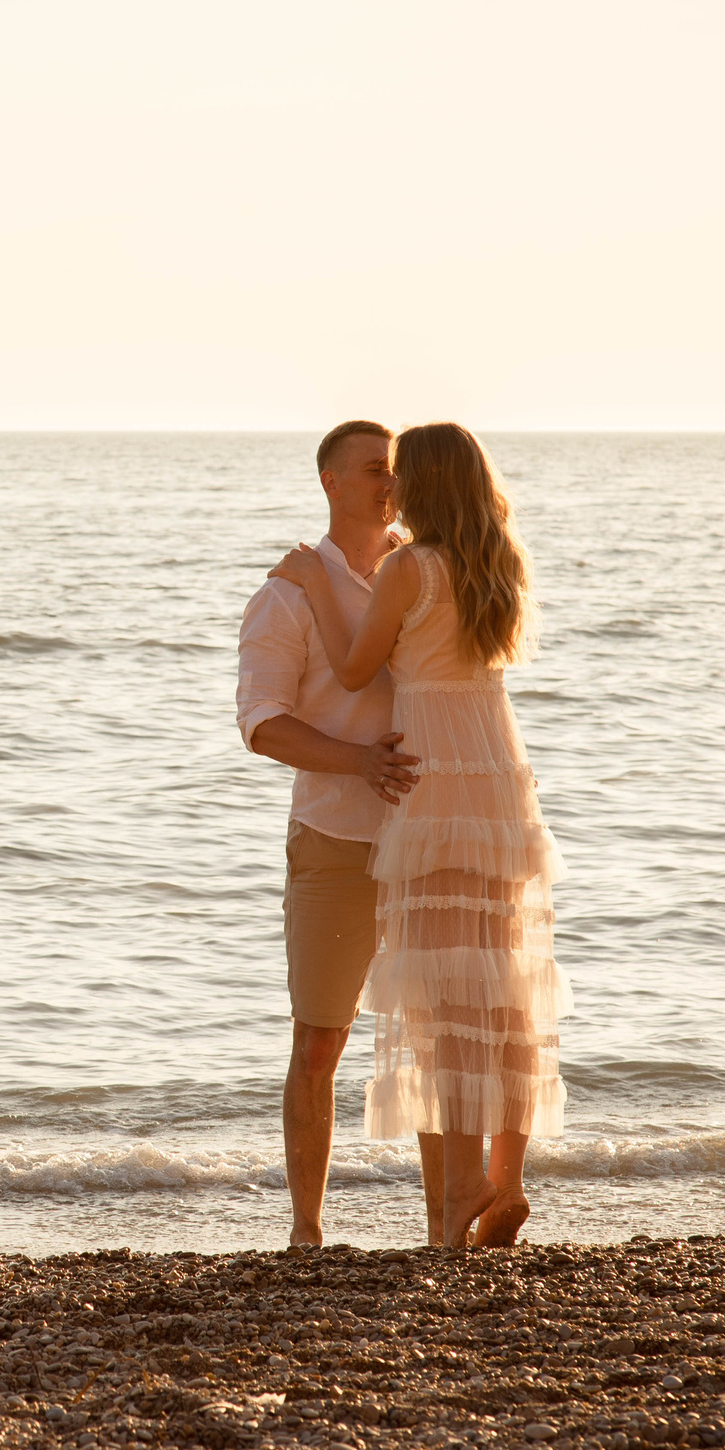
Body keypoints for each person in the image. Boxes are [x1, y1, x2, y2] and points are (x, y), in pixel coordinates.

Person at [268, 421, 567, 1248]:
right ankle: (505, 1179)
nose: (391, 486)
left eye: (401, 473)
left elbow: (356, 665)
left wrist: (311, 579)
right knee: (498, 982)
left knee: (441, 991)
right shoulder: (497, 563)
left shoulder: (408, 568)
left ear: (426, 484)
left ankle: (467, 1185)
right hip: (499, 779)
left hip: (434, 782)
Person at [236, 418, 424, 1251]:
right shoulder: (286, 593)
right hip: (334, 839)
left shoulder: (426, 569)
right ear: (332, 483)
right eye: (374, 469)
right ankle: (307, 1230)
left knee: (437, 1036)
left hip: (435, 832)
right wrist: (356, 761)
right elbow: (262, 724)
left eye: (397, 469)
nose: (390, 482)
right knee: (320, 1039)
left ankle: (445, 1226)